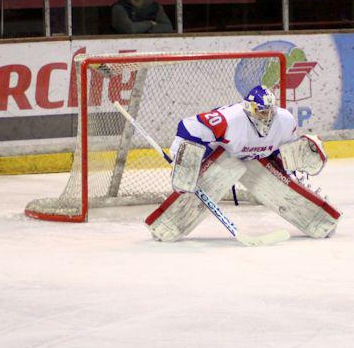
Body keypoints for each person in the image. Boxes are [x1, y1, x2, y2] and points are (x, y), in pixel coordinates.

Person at [145, 85, 340, 242]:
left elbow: (285, 151)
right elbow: (187, 127)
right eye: (261, 112)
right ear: (248, 108)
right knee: (219, 174)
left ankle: (319, 220)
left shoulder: (285, 120)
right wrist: (185, 160)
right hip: (223, 157)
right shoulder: (229, 119)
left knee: (282, 187)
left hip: (258, 158)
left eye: (269, 111)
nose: (267, 117)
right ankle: (165, 227)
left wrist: (289, 169)